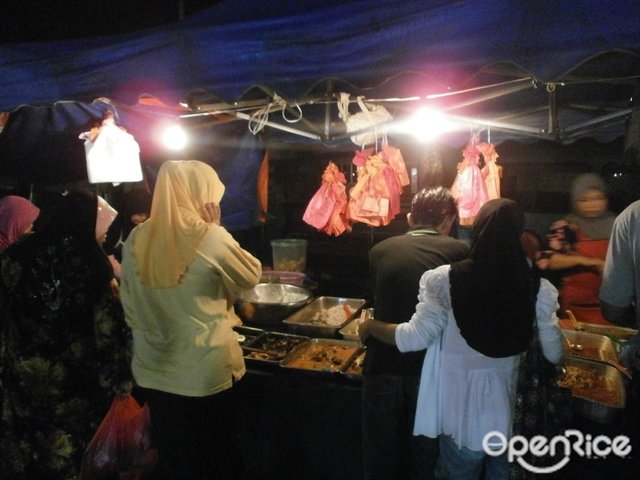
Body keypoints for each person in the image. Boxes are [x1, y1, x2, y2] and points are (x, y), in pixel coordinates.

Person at [359, 198, 564, 480]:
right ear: (519, 233)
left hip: (460, 416)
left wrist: (371, 326)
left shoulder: (444, 280)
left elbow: (413, 339)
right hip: (508, 415)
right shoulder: (539, 288)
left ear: (478, 228)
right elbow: (554, 354)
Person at [119, 160, 262, 480]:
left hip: (152, 371)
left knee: (177, 460)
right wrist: (218, 228)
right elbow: (251, 276)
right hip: (203, 373)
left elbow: (128, 306)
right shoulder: (209, 236)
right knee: (218, 457)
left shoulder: (135, 238)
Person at [0, 190, 131, 480]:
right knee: (68, 461)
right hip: (75, 389)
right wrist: (120, 386)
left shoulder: (16, 255)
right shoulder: (92, 263)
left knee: (24, 457)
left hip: (21, 383)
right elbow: (109, 332)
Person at [362, 186, 469, 480]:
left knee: (381, 455)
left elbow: (375, 302)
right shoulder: (462, 253)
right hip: (432, 373)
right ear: (448, 220)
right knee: (424, 454)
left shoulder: (379, 250)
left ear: (410, 218)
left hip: (383, 366)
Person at [538, 172, 615, 324]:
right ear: (575, 201)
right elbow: (547, 260)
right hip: (573, 309)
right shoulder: (565, 227)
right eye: (584, 200)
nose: (592, 204)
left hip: (612, 305)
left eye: (598, 198)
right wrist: (590, 262)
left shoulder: (618, 224)